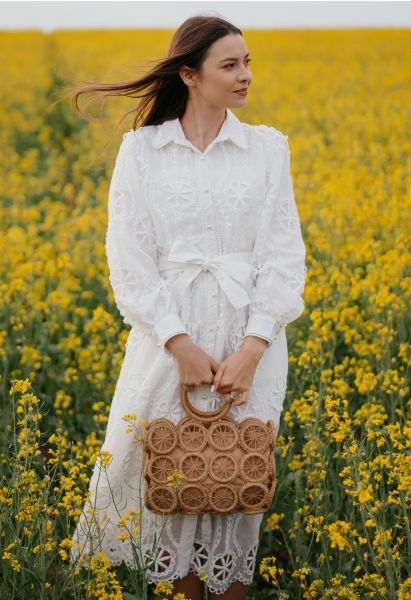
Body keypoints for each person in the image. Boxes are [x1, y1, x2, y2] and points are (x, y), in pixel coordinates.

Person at [68, 14, 307, 600]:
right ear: (189, 75)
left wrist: (253, 347)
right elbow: (129, 262)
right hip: (166, 344)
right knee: (172, 488)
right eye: (231, 64)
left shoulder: (268, 149)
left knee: (236, 488)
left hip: (252, 343)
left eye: (248, 61)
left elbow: (283, 256)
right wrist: (179, 345)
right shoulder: (143, 151)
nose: (246, 75)